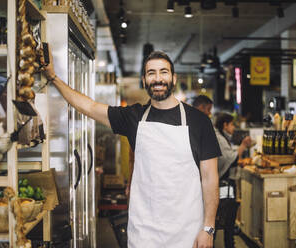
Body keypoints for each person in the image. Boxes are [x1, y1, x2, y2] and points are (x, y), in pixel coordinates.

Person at [43, 50, 221, 248]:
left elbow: (210, 178)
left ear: (173, 77)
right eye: (151, 73)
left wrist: (208, 228)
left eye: (164, 72)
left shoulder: (199, 122)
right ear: (144, 80)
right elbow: (90, 107)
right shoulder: (134, 117)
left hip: (187, 233)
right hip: (144, 233)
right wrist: (53, 77)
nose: (158, 78)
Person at [214, 113, 252, 248]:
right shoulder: (219, 138)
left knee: (224, 217)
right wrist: (243, 146)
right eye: (232, 124)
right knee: (227, 217)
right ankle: (229, 245)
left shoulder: (222, 137)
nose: (234, 127)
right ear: (225, 125)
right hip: (225, 185)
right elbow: (230, 159)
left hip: (223, 184)